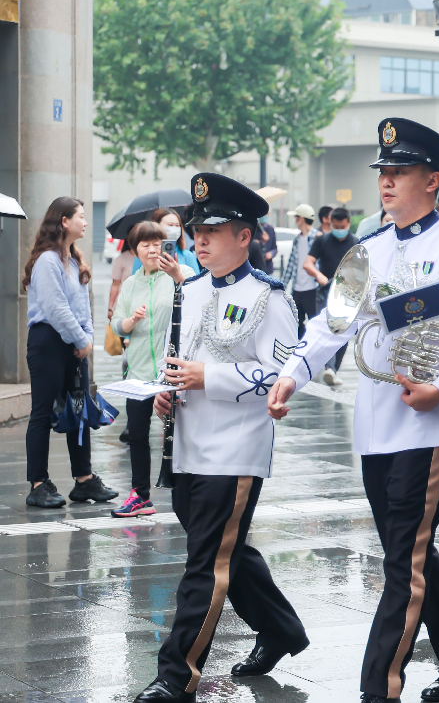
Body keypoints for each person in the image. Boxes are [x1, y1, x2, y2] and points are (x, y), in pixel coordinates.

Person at [270, 118, 439, 703]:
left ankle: (380, 687)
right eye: (384, 172)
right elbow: (332, 322)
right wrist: (293, 373)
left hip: (430, 423)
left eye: (400, 171)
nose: (388, 181)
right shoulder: (367, 250)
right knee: (411, 553)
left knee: (403, 567)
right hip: (377, 424)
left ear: (433, 179)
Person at [131, 173, 307, 703]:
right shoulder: (190, 289)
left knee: (206, 563)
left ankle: (176, 674)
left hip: (236, 449)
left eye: (214, 230)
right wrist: (169, 392)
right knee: (226, 552)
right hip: (188, 445)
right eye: (196, 231)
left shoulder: (268, 297)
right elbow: (179, 364)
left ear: (245, 235)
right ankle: (281, 629)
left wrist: (211, 378)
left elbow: (280, 372)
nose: (199, 240)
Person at [23, 197, 119, 509]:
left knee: (79, 410)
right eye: (80, 216)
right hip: (49, 342)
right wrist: (81, 339)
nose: (86, 222)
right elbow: (55, 308)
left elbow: (81, 307)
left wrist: (86, 339)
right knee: (41, 413)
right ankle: (38, 484)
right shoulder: (48, 261)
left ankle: (84, 480)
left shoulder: (74, 259)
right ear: (64, 221)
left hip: (75, 346)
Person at [110, 221, 195, 518]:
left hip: (170, 371)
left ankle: (189, 487)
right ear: (134, 250)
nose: (152, 249)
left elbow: (197, 298)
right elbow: (116, 323)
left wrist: (176, 274)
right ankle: (140, 496)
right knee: (137, 434)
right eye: (145, 244)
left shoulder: (177, 275)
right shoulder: (131, 284)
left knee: (180, 430)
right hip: (137, 372)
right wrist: (130, 321)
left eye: (157, 242)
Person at [303, 208, 357, 385]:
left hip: (347, 295)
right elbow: (308, 263)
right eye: (336, 226)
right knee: (327, 330)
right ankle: (329, 368)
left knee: (343, 334)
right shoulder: (322, 240)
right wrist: (318, 275)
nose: (339, 229)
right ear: (330, 224)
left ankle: (333, 369)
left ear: (348, 224)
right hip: (325, 292)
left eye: (342, 226)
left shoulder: (356, 243)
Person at [281, 203, 320, 337]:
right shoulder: (297, 239)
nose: (295, 221)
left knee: (314, 323)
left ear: (301, 219)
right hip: (297, 289)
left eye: (296, 218)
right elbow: (291, 265)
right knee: (296, 324)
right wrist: (282, 287)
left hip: (312, 289)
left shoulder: (318, 238)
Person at [152, 207, 200, 272]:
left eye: (177, 225)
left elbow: (196, 280)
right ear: (156, 226)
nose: (174, 229)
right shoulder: (147, 254)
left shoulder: (187, 255)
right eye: (170, 225)